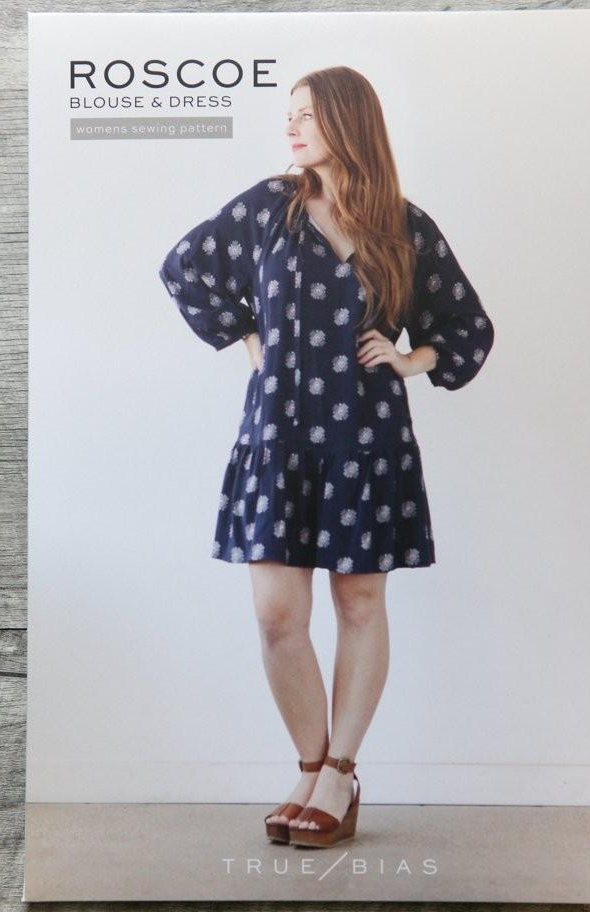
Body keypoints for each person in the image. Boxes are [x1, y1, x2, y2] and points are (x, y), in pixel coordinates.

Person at [158, 66, 495, 848]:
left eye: (306, 114)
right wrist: (251, 337)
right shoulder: (268, 209)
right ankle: (310, 767)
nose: (291, 127)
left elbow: (468, 328)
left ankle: (339, 775)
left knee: (360, 605)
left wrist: (412, 360)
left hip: (365, 439)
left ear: (348, 122)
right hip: (279, 437)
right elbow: (184, 267)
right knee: (278, 616)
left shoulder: (404, 226)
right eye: (290, 115)